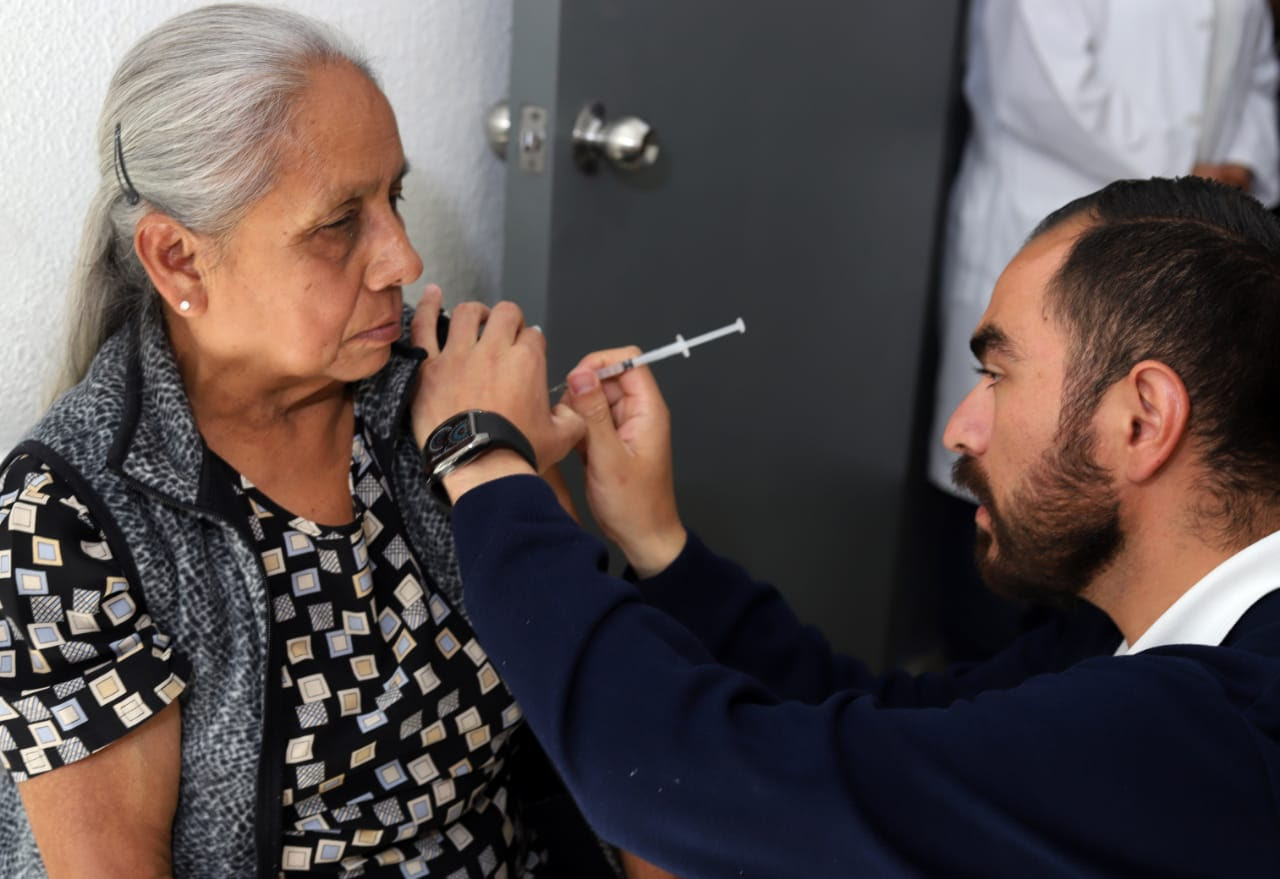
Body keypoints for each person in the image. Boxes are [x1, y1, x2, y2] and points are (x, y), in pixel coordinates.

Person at [410, 176, 1280, 876]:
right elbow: (877, 721)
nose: (960, 429)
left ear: (1141, 419)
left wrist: (481, 460)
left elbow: (688, 778)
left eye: (999, 375)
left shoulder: (1208, 734)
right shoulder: (1126, 630)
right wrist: (657, 543)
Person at [0, 5, 676, 878]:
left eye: (392, 196)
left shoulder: (443, 401)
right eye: (338, 223)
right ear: (176, 259)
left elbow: (617, 736)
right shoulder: (66, 519)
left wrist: (501, 460)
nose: (404, 257)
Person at [923, 0, 1280, 660]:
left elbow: (1256, 76)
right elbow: (1042, 84)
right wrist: (1187, 185)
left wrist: (1240, 174)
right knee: (1006, 473)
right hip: (1057, 228)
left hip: (1184, 253)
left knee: (1140, 490)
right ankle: (985, 674)